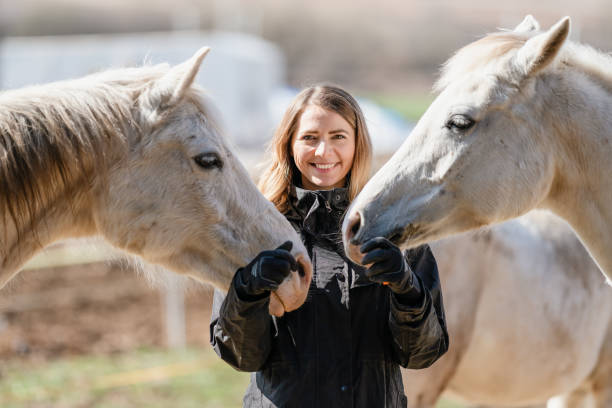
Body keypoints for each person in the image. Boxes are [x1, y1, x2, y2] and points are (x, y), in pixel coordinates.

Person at [210, 84, 448, 407]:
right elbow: (242, 356)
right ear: (289, 143)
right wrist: (247, 290)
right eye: (310, 138)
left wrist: (406, 288)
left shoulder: (391, 229)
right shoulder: (256, 233)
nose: (324, 152)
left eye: (338, 137)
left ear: (357, 144)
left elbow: (422, 353)